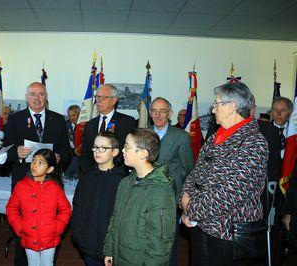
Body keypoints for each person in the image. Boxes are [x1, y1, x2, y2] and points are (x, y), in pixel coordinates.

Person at [180, 82, 268, 266]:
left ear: (231, 107)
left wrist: (191, 210)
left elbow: (230, 194)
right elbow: (196, 174)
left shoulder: (253, 142)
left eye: (217, 104)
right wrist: (185, 196)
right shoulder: (216, 137)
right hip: (201, 227)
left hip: (228, 235)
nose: (213, 110)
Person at [4, 82, 71, 265]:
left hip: (51, 182)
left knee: (49, 237)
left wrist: (58, 157)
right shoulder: (15, 119)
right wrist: (15, 153)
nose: (37, 98)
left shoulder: (58, 120)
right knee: (23, 238)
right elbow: (5, 151)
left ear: (46, 96)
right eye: (32, 94)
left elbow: (67, 152)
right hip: (23, 181)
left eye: (41, 94)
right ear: (26, 97)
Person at [103, 128, 176, 266]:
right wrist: (110, 249)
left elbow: (160, 243)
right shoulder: (126, 182)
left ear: (143, 154)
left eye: (127, 147)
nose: (123, 151)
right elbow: (115, 219)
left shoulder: (160, 192)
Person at [6, 149, 72, 266]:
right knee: (33, 263)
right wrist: (20, 227)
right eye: (33, 161)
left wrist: (57, 228)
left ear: (50, 169)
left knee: (47, 263)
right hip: (28, 235)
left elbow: (65, 210)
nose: (34, 165)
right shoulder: (21, 186)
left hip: (50, 236)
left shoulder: (55, 188)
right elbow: (11, 208)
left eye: (41, 162)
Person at [71, 132, 127, 265]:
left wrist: (115, 248)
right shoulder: (86, 178)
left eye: (103, 148)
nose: (98, 151)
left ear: (114, 152)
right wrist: (78, 236)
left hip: (112, 250)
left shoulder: (122, 181)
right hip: (87, 246)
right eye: (95, 147)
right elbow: (78, 208)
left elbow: (124, 219)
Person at [150, 98, 193, 266]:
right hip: (146, 196)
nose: (158, 115)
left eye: (162, 111)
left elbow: (188, 168)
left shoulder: (181, 137)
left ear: (170, 113)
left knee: (168, 244)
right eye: (154, 111)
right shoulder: (143, 134)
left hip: (170, 198)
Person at [80, 84, 135, 174]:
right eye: (97, 97)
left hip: (118, 175)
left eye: (103, 98)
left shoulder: (127, 122)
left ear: (114, 100)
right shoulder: (90, 124)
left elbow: (129, 151)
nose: (99, 101)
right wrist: (90, 173)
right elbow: (85, 154)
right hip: (93, 175)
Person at [64, 104, 80, 179]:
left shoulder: (85, 125)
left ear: (79, 114)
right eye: (69, 116)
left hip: (80, 152)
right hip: (69, 151)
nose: (71, 118)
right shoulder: (65, 124)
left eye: (74, 115)